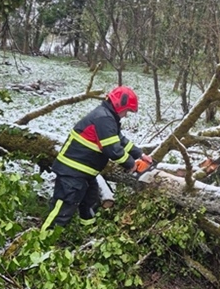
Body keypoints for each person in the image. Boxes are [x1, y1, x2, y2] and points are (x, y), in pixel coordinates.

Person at [41, 86, 153, 231]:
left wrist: (140, 154)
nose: (126, 115)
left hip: (84, 172)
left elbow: (119, 140)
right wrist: (131, 164)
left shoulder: (107, 117)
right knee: (63, 209)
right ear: (119, 105)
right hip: (72, 171)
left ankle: (86, 232)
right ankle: (44, 243)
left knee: (89, 201)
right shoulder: (104, 118)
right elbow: (112, 149)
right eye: (127, 111)